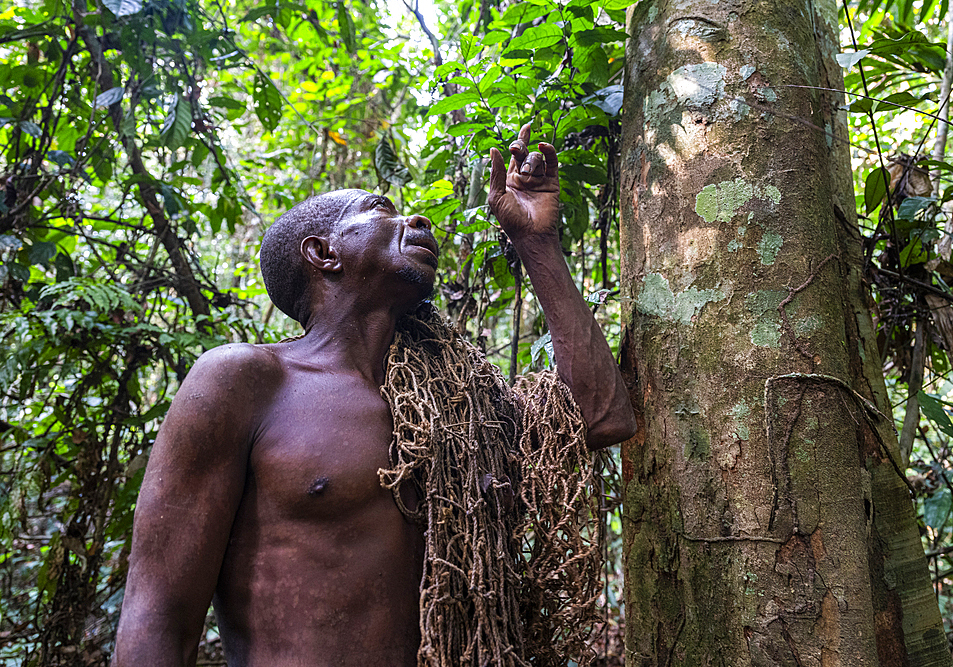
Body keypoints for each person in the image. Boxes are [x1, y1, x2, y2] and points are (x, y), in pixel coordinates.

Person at [111, 124, 635, 666]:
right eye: (382, 209)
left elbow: (601, 419)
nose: (418, 219)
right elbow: (159, 619)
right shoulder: (244, 382)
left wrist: (535, 243)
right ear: (323, 252)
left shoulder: (454, 408)